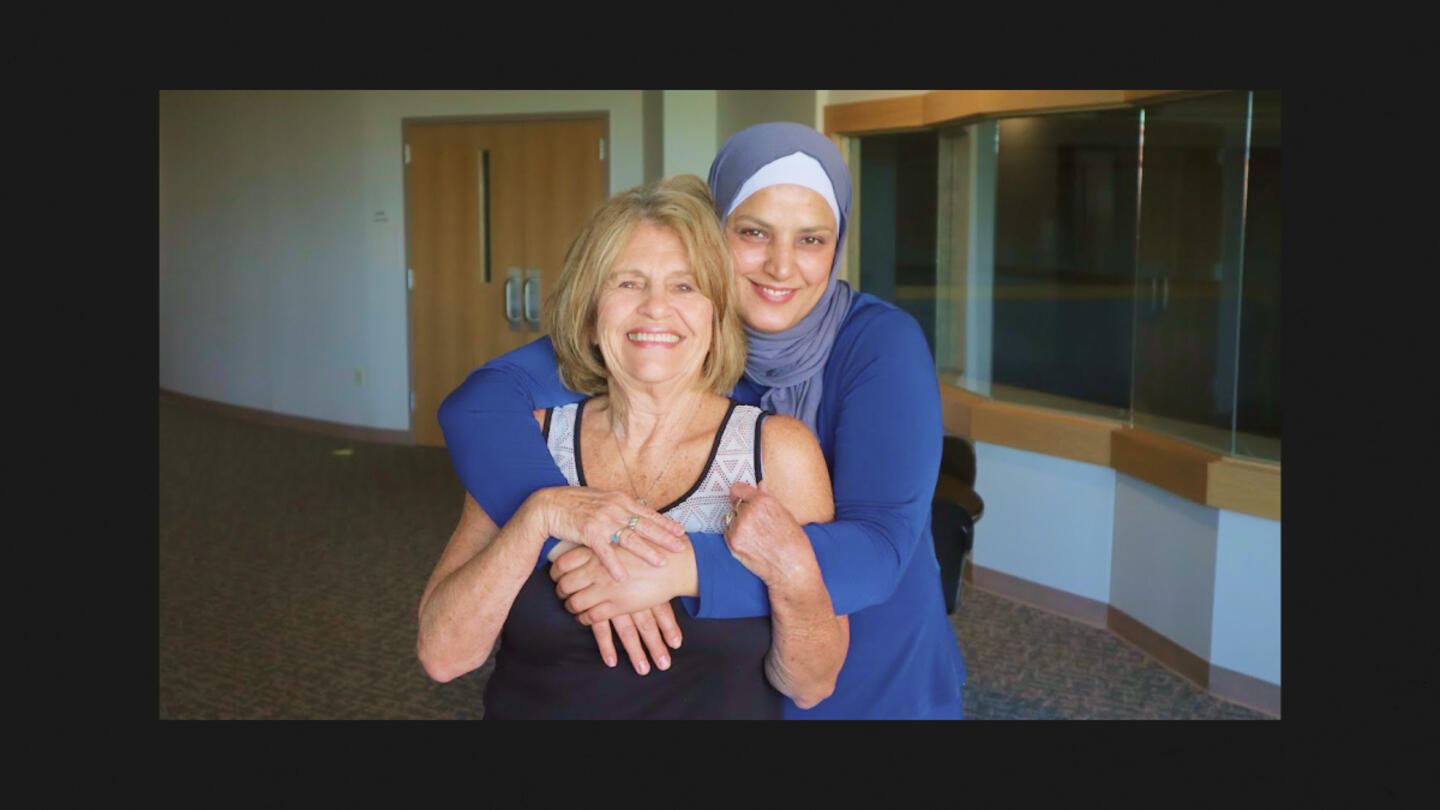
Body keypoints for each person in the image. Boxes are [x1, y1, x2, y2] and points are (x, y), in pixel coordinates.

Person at [439, 122, 967, 719]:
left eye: (812, 240)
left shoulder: (878, 341)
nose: (781, 267)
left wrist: (669, 568)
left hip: (875, 665)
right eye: (752, 232)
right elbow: (479, 404)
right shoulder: (667, 331)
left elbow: (876, 554)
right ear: (713, 236)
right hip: (739, 676)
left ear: (838, 244)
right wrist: (565, 526)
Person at [417, 175, 847, 719]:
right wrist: (540, 514)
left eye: (685, 286)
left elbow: (813, 685)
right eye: (628, 283)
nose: (656, 309)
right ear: (592, 317)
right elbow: (443, 655)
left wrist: (793, 569)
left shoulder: (779, 453)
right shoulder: (528, 440)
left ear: (716, 318)